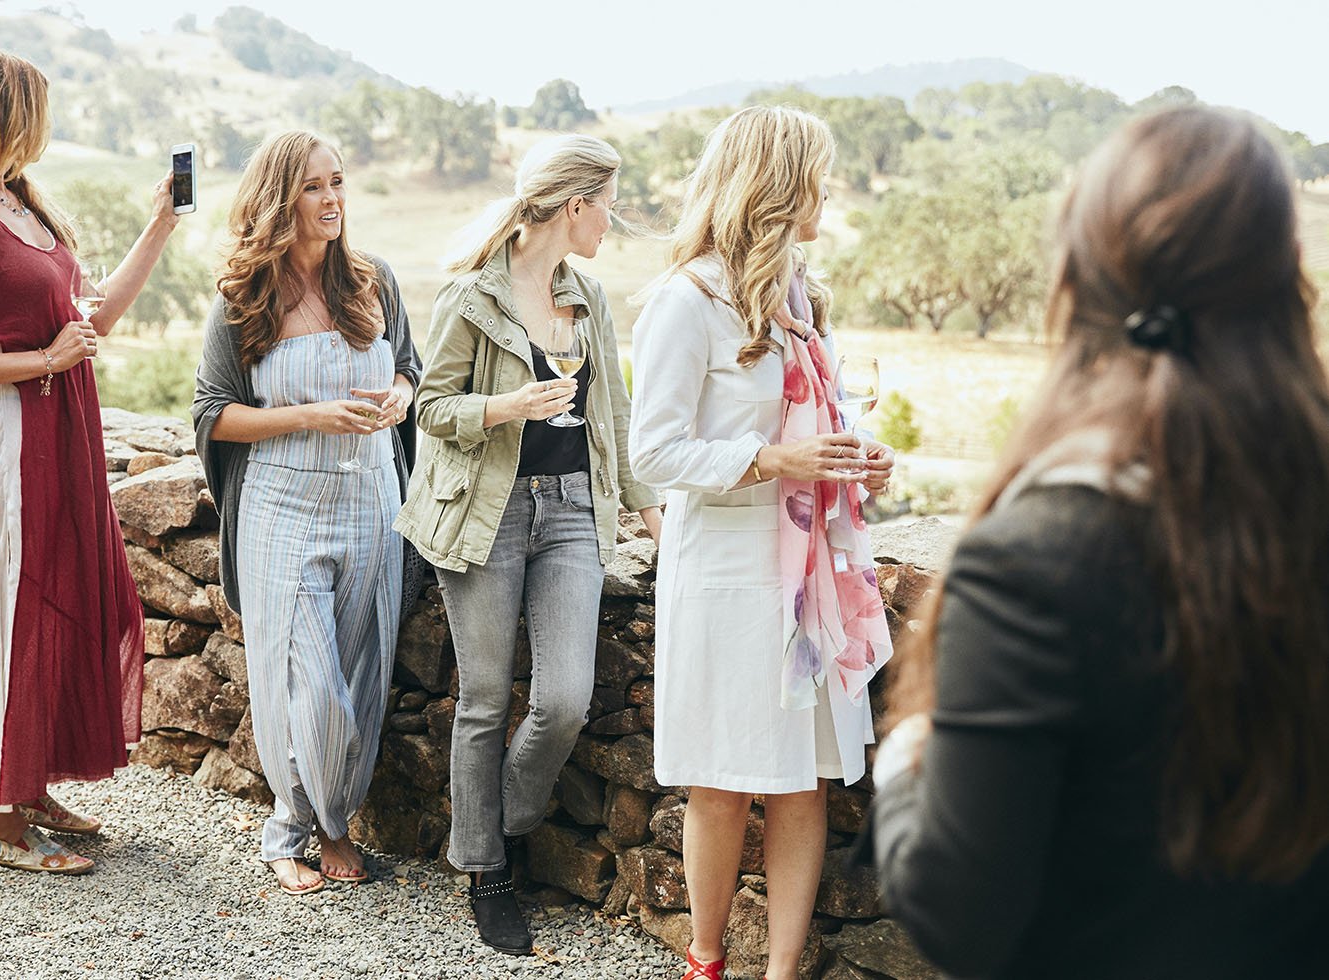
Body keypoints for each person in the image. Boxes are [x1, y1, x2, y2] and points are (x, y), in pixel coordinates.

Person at [868, 105, 1329, 979]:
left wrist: (902, 761)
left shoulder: (1032, 564)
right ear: (1283, 277)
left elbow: (955, 917)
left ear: (1078, 283)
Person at [0, 50, 183, 874]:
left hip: (68, 434)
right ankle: (0, 826)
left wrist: (160, 224)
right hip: (14, 438)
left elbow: (88, 325)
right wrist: (41, 366)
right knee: (12, 608)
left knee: (65, 604)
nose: (45, 128)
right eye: (39, 109)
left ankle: (29, 780)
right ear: (7, 110)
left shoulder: (24, 201)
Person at [627, 105, 896, 980]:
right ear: (778, 184)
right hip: (727, 574)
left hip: (809, 580)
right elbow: (653, 450)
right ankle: (705, 961)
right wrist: (774, 458)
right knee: (722, 779)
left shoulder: (803, 299)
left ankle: (781, 974)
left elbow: (824, 422)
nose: (830, 190)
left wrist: (860, 462)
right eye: (819, 172)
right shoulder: (687, 300)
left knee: (802, 779)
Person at [397, 134, 663, 955]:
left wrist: (653, 519)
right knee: (483, 699)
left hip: (573, 511)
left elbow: (611, 411)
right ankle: (488, 872)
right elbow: (431, 409)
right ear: (575, 204)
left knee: (565, 701)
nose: (612, 221)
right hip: (487, 511)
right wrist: (506, 409)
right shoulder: (471, 298)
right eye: (609, 204)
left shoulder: (587, 295)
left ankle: (498, 821)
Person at [191, 130, 422, 897]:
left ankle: (332, 825)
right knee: (307, 679)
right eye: (315, 187)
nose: (333, 200)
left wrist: (399, 397)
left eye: (339, 183)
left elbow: (411, 372)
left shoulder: (374, 281)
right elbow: (213, 415)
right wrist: (307, 417)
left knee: (360, 673)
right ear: (280, 200)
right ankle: (289, 826)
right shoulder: (243, 300)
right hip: (282, 502)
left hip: (371, 500)